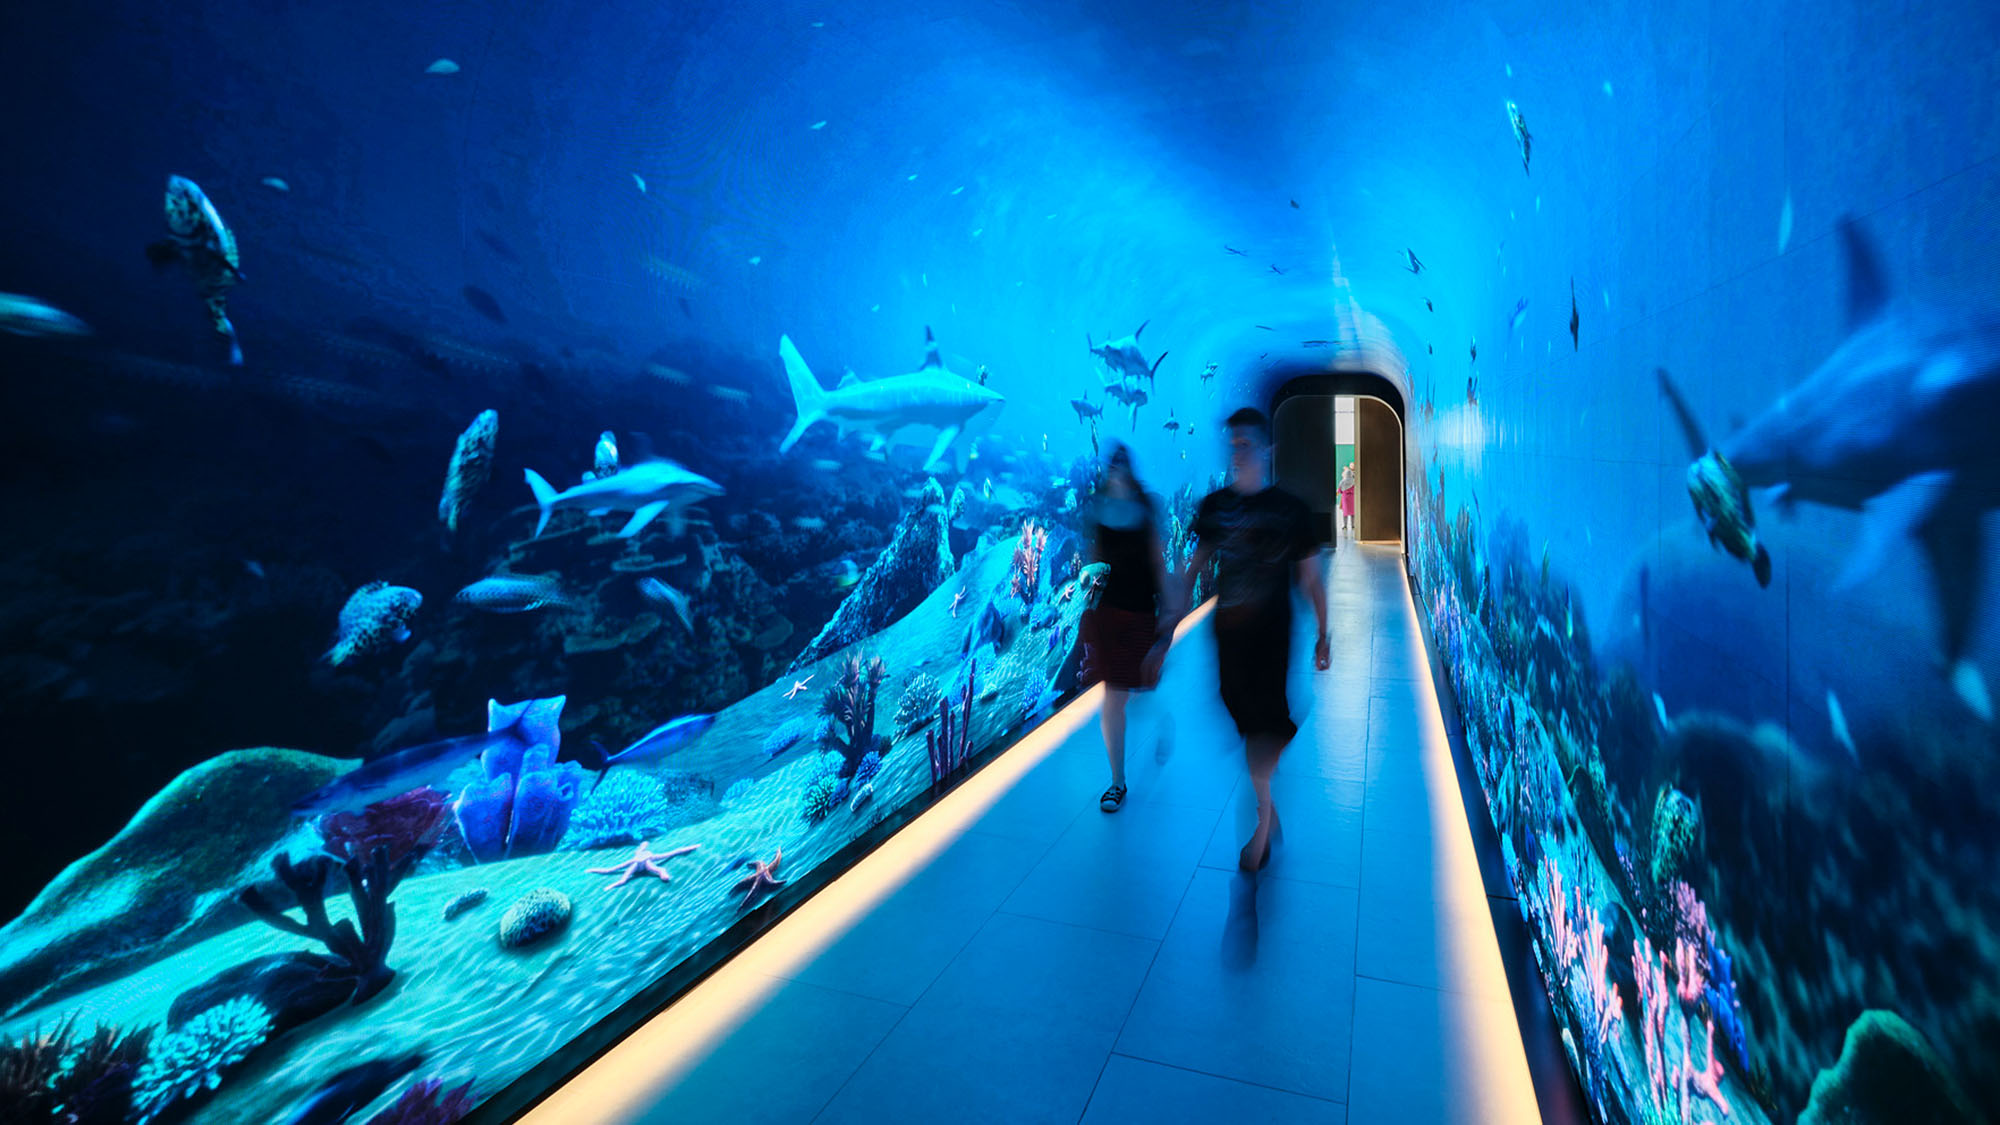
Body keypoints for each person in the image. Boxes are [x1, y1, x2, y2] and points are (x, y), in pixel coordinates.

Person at [1187, 407, 1329, 870]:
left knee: (1261, 738)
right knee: (1244, 723)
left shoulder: (1290, 511)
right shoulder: (1214, 507)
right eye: (1232, 445)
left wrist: (1324, 634)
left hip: (1272, 640)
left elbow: (1310, 580)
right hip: (1227, 640)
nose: (1237, 453)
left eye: (1246, 444)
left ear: (1267, 449)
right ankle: (1267, 787)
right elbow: (1193, 568)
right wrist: (1164, 628)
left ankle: (1262, 826)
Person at [1080, 443, 1179, 813]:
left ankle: (1164, 719)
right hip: (1108, 615)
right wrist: (1087, 612)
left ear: (1129, 468)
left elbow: (1157, 561)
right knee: (1114, 696)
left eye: (1120, 465)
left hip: (1140, 612)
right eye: (1111, 466)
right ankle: (1117, 782)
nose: (1115, 472)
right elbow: (1093, 563)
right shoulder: (1098, 509)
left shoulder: (1144, 510)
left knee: (1140, 693)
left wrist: (1168, 612)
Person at [1337, 461, 1358, 535]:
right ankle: (1353, 526)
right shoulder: (1354, 481)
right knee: (1353, 513)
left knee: (1345, 513)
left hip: (1345, 498)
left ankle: (1345, 526)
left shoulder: (1342, 481)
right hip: (1352, 498)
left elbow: (1339, 490)